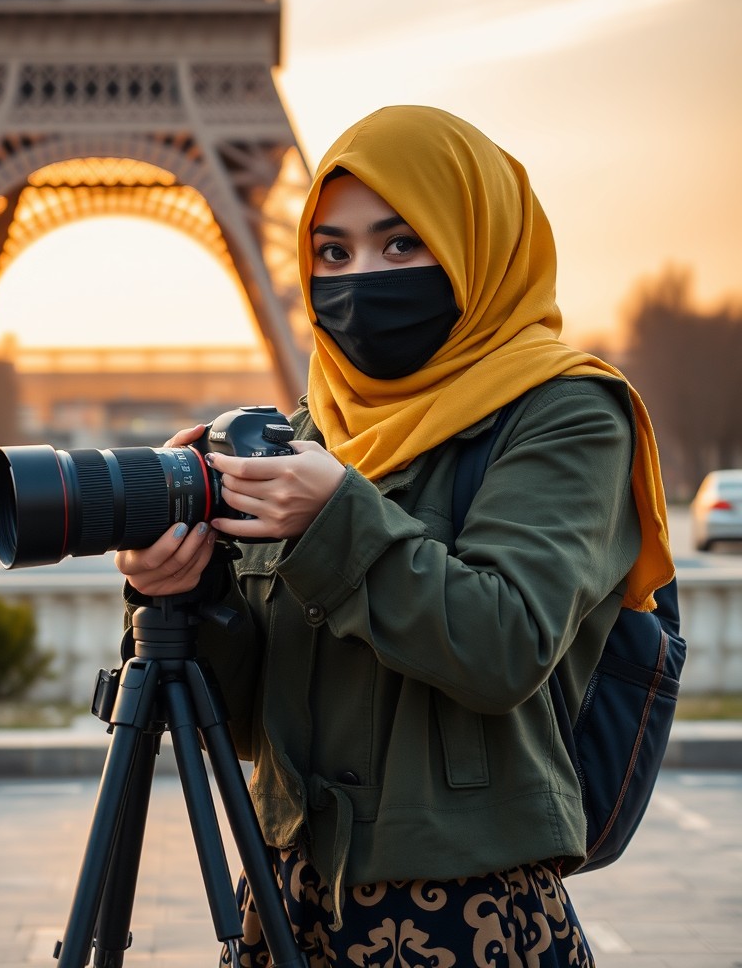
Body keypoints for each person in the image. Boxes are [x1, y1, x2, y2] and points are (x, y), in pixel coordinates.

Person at [116, 105, 674, 968]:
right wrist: (181, 593)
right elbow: (240, 721)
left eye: (401, 244)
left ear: (475, 244)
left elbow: (504, 644)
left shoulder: (565, 413)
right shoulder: (305, 435)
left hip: (468, 917)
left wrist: (336, 517)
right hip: (281, 910)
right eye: (332, 253)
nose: (360, 276)